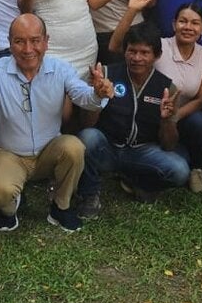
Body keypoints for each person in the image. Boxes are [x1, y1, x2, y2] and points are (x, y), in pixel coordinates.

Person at [0, 15, 114, 233]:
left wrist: (97, 93)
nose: (28, 49)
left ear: (46, 42)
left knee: (74, 147)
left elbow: (83, 96)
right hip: (10, 154)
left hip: (48, 151)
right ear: (10, 43)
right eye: (19, 41)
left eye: (35, 41)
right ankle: (10, 208)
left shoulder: (60, 68)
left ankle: (60, 207)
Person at [110, 0, 202, 193]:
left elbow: (201, 98)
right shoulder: (159, 47)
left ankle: (196, 168)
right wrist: (132, 10)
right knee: (175, 162)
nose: (188, 27)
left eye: (195, 23)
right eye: (183, 21)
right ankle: (134, 173)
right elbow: (116, 46)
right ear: (173, 24)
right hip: (149, 116)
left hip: (179, 118)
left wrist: (173, 117)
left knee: (199, 122)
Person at [77, 24, 190, 215]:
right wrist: (96, 98)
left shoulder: (166, 87)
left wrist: (167, 120)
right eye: (132, 51)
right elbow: (86, 124)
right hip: (108, 148)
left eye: (144, 53)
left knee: (180, 170)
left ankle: (137, 180)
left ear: (157, 55)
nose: (137, 58)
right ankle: (89, 194)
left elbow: (169, 144)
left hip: (142, 152)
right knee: (88, 137)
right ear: (124, 51)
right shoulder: (106, 76)